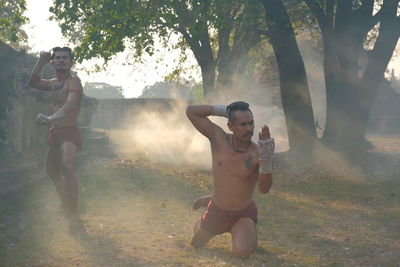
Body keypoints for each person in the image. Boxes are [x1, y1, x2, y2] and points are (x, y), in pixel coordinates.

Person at [186, 101, 275, 258]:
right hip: (217, 210)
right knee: (195, 244)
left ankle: (250, 236)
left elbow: (264, 189)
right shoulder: (219, 138)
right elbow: (192, 111)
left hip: (243, 213)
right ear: (230, 125)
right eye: (242, 124)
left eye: (251, 123)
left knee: (242, 253)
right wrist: (224, 110)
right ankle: (204, 220)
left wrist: (266, 161)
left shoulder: (257, 153)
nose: (249, 129)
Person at [29, 47, 83, 223]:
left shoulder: (74, 81)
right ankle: (65, 202)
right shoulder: (53, 83)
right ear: (53, 62)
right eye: (57, 58)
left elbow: (71, 105)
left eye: (64, 58)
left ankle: (73, 211)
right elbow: (33, 82)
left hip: (69, 131)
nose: (61, 60)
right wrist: (41, 62)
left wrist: (49, 118)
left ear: (71, 62)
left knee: (67, 165)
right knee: (51, 171)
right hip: (56, 131)